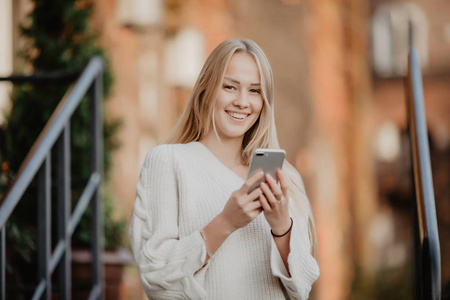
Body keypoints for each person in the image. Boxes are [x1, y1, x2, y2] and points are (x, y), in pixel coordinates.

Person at [128, 39, 319, 300]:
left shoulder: (285, 178)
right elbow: (154, 275)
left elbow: (302, 289)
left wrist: (281, 227)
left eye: (254, 91)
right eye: (230, 87)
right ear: (206, 90)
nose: (242, 101)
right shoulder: (168, 162)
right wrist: (226, 222)